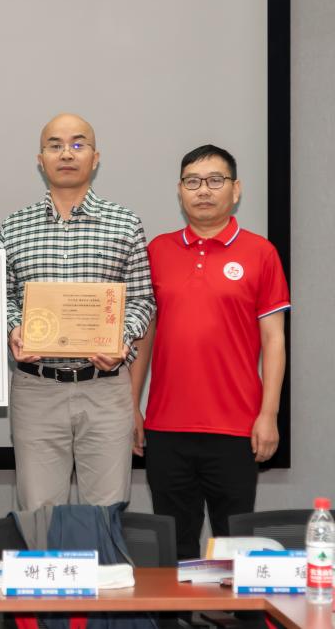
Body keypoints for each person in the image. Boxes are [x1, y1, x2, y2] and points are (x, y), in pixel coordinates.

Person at [131, 144, 289, 560]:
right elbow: (143, 336)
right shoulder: (157, 251)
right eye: (192, 182)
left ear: (235, 190)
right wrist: (131, 406)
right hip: (167, 428)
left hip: (236, 428)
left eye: (215, 180)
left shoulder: (261, 253)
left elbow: (274, 339)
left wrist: (269, 414)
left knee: (235, 549)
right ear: (179, 191)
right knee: (175, 551)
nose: (203, 190)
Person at [0, 113, 155, 510]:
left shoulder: (125, 224)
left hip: (105, 388)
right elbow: (1, 296)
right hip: (37, 389)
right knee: (39, 516)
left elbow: (142, 300)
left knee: (106, 515)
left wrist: (119, 339)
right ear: (40, 159)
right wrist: (15, 327)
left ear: (95, 158)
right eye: (55, 145)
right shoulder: (13, 227)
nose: (67, 153)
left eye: (78, 144)